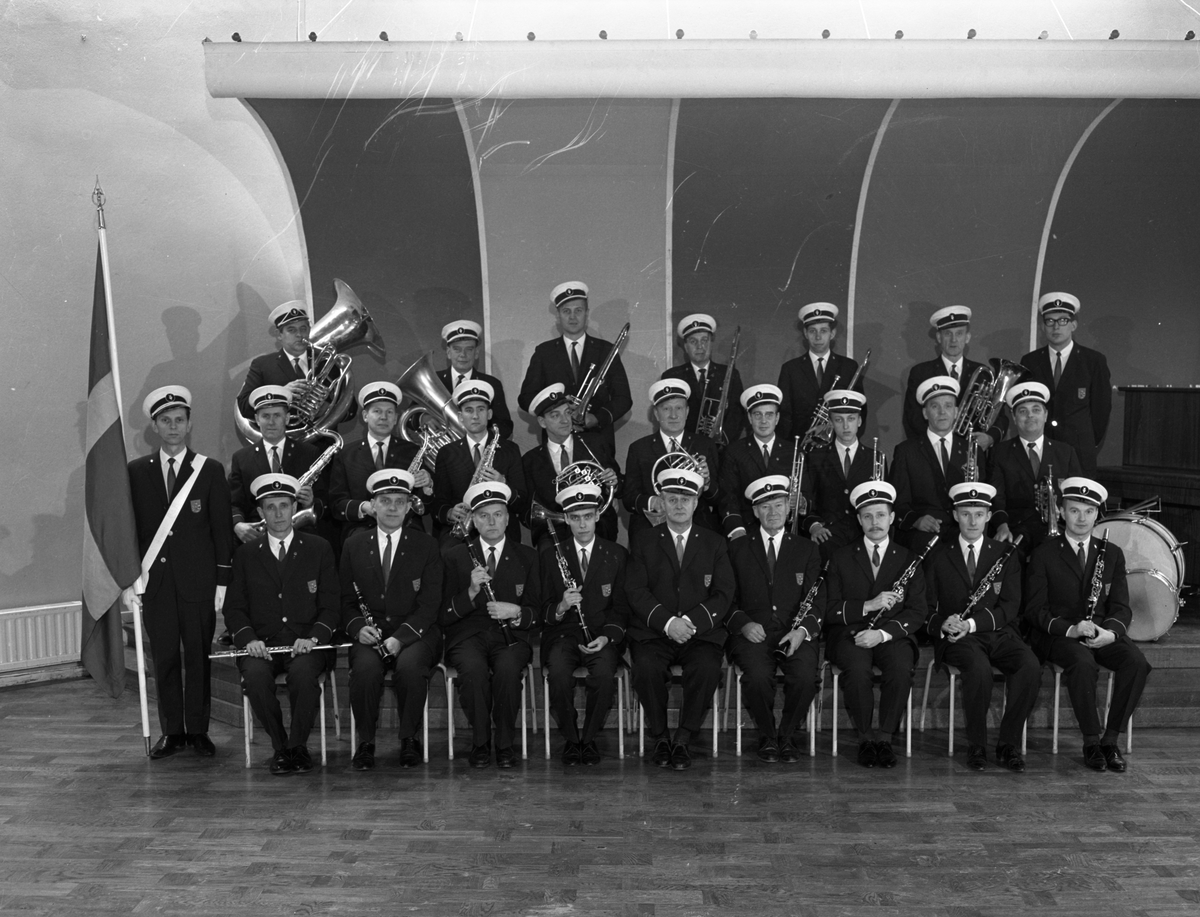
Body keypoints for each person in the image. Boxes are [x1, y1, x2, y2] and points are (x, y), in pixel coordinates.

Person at [124, 385, 233, 759]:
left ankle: (199, 730)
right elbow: (131, 530)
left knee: (198, 657)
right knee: (165, 658)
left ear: (189, 425)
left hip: (198, 583)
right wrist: (130, 578)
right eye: (165, 420)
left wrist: (222, 579)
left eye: (179, 420)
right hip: (156, 583)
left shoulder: (209, 470)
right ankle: (172, 731)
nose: (173, 426)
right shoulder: (136, 472)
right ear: (154, 426)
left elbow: (221, 530)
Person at [1025, 477, 1151, 772]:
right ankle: (1091, 741)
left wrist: (1111, 633)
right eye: (1074, 510)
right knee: (1083, 664)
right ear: (1061, 512)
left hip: (1101, 631)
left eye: (1089, 511)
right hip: (1061, 634)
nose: (1082, 518)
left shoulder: (1112, 553)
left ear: (1097, 515)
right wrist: (1071, 630)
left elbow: (1120, 607)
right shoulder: (1044, 553)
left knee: (1137, 663)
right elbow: (1034, 610)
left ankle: (1110, 740)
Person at [223, 473, 340, 775]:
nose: (278, 514)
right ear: (260, 512)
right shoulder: (245, 554)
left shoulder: (319, 548)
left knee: (303, 675)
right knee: (255, 679)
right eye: (271, 507)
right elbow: (234, 608)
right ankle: (281, 746)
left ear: (294, 508)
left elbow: (331, 605)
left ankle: (298, 747)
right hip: (262, 645)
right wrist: (249, 639)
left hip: (307, 643)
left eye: (284, 506)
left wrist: (314, 638)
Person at [625, 466, 735, 770]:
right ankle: (660, 737)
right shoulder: (644, 540)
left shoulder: (714, 542)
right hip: (654, 632)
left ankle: (684, 737)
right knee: (645, 667)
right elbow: (635, 590)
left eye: (685, 500)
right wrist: (668, 623)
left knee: (707, 668)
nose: (678, 505)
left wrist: (689, 623)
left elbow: (724, 593)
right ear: (662, 501)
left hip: (699, 633)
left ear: (696, 503)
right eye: (672, 499)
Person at [926, 482, 1039, 772]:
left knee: (1029, 665)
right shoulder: (938, 555)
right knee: (978, 669)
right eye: (965, 514)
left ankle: (1008, 743)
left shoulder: (1006, 554)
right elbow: (924, 607)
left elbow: (1011, 607)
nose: (972, 521)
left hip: (998, 633)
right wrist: (942, 624)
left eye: (979, 514)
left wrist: (973, 623)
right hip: (958, 639)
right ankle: (977, 744)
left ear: (989, 516)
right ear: (955, 515)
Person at [341, 469, 443, 771]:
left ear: (410, 506)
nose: (393, 507)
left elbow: (430, 604)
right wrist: (358, 628)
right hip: (370, 632)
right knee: (364, 670)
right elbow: (344, 600)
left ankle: (409, 738)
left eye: (400, 501)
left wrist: (400, 638)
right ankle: (366, 741)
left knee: (410, 667)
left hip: (415, 632)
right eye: (385, 501)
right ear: (373, 505)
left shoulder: (426, 545)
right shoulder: (353, 544)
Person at [825, 481, 926, 768]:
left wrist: (881, 634)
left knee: (900, 669)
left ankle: (885, 738)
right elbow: (829, 609)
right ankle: (865, 738)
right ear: (859, 520)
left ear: (892, 518)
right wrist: (867, 606)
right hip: (850, 633)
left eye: (881, 515)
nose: (874, 522)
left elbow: (917, 611)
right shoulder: (840, 557)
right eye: (867, 516)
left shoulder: (909, 559)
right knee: (857, 672)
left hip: (892, 634)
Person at [726, 475, 825, 763]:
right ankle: (768, 735)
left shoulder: (807, 549)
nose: (773, 512)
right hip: (752, 633)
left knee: (806, 678)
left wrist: (801, 632)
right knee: (757, 678)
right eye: (765, 507)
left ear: (788, 508)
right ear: (755, 511)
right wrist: (743, 623)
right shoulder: (736, 548)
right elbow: (725, 598)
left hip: (794, 632)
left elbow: (817, 599)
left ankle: (787, 734)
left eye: (779, 505)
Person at [441, 482, 540, 768]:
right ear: (473, 520)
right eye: (484, 516)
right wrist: (471, 592)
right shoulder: (454, 556)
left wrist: (516, 611)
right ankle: (480, 742)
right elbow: (443, 614)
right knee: (473, 671)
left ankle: (505, 744)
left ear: (508, 519)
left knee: (508, 670)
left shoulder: (528, 557)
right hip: (467, 635)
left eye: (498, 515)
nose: (492, 522)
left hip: (511, 635)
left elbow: (538, 610)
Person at [539, 482, 629, 766]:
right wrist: (561, 606)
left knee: (603, 674)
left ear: (597, 515)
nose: (582, 524)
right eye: (575, 517)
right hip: (563, 635)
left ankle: (588, 738)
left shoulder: (616, 554)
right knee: (558, 674)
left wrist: (607, 637)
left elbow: (622, 608)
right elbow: (541, 607)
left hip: (601, 636)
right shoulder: (550, 555)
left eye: (587, 516)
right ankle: (570, 737)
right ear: (566, 519)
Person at [518, 280, 633, 456]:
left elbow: (623, 398)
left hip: (598, 440)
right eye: (566, 311)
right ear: (558, 316)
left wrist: (596, 418)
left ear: (586, 313)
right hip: (557, 442)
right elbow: (526, 397)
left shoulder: (606, 350)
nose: (573, 317)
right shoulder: (544, 352)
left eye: (578, 310)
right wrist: (557, 406)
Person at [621, 379, 721, 548]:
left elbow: (718, 498)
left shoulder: (705, 445)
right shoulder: (639, 448)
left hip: (696, 525)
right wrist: (653, 502)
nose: (673, 415)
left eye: (679, 408)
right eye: (666, 409)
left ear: (687, 412)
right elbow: (629, 498)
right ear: (656, 414)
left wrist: (707, 483)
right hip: (652, 528)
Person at [1020, 292, 1112, 475]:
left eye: (1063, 320)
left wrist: (1087, 442)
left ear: (1074, 325)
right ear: (1042, 327)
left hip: (1079, 451)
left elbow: (1101, 410)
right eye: (1050, 321)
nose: (1056, 327)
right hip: (1041, 449)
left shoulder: (1093, 361)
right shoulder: (1030, 361)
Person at [430, 379, 528, 547]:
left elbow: (522, 502)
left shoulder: (510, 449)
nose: (475, 416)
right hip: (461, 534)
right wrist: (450, 512)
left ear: (489, 414)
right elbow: (438, 502)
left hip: (502, 532)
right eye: (469, 410)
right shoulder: (447, 453)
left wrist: (503, 483)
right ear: (460, 417)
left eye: (481, 409)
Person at [987, 381, 1083, 553]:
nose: (1030, 415)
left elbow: (1077, 497)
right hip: (1015, 528)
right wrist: (1002, 526)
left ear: (1045, 415)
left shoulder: (1066, 452)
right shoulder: (1000, 453)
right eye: (1023, 411)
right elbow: (996, 498)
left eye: (1036, 410)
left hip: (1059, 528)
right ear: (1014, 418)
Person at [329, 381, 431, 543]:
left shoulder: (413, 451)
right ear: (365, 416)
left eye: (389, 412)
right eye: (377, 411)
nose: (384, 417)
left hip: (406, 527)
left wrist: (427, 486)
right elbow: (337, 504)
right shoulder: (346, 454)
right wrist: (364, 507)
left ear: (396, 418)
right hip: (361, 529)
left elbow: (425, 507)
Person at [522, 383, 620, 547]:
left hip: (598, 529)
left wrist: (614, 483)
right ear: (542, 422)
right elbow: (528, 510)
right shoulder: (530, 461)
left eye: (567, 412)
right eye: (555, 415)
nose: (565, 420)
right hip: (554, 535)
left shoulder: (595, 444)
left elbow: (620, 484)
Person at [228, 385, 325, 544]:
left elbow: (325, 500)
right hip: (257, 540)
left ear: (287, 418)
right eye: (265, 416)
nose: (271, 422)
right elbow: (234, 503)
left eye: (277, 415)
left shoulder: (309, 453)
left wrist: (310, 503)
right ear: (257, 419)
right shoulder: (241, 458)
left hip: (300, 537)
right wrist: (238, 525)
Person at [902, 305, 1006, 446]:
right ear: (939, 337)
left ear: (967, 337)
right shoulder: (921, 373)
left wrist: (990, 438)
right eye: (947, 334)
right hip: (933, 450)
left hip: (973, 451)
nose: (953, 340)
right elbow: (912, 417)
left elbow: (999, 416)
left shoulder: (983, 374)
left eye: (959, 334)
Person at [889, 376, 969, 554]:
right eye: (935, 406)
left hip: (963, 531)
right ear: (925, 413)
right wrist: (916, 520)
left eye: (948, 406)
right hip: (922, 533)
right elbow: (898, 502)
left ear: (956, 411)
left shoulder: (971, 449)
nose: (942, 412)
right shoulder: (906, 451)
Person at [803, 390, 880, 557]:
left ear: (859, 421)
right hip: (828, 533)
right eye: (839, 420)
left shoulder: (875, 458)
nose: (845, 426)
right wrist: (815, 526)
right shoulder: (816, 458)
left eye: (851, 419)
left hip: (864, 532)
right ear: (830, 423)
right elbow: (808, 501)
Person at [717, 384, 799, 540]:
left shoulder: (793, 451)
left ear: (777, 418)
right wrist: (737, 529)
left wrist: (801, 502)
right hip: (746, 529)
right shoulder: (734, 451)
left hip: (785, 530)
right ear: (749, 418)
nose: (763, 421)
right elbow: (728, 496)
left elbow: (806, 493)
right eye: (757, 415)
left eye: (769, 415)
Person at [776, 302, 864, 441]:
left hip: (837, 443)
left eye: (823, 331)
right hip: (800, 442)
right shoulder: (790, 369)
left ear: (832, 333)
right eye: (812, 331)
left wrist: (830, 429)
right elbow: (784, 414)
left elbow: (859, 410)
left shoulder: (848, 367)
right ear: (805, 333)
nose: (818, 337)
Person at [659, 313, 745, 443]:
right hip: (686, 446)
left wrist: (720, 441)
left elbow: (737, 415)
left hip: (721, 448)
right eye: (693, 341)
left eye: (704, 340)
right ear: (685, 347)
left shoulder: (729, 374)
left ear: (711, 343)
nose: (700, 346)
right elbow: (668, 416)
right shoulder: (672, 376)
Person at [235, 301, 314, 421]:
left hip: (326, 433)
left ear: (309, 330)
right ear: (279, 335)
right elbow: (244, 407)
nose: (299, 335)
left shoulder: (326, 360)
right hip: (284, 432)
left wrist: (328, 407)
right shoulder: (262, 365)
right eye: (291, 330)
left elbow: (346, 408)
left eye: (303, 329)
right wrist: (280, 394)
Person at [437, 319, 514, 441]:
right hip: (442, 449)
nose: (463, 355)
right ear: (448, 352)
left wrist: (482, 438)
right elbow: (411, 417)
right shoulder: (435, 380)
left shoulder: (491, 384)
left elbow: (505, 426)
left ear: (476, 353)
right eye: (457, 349)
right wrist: (423, 418)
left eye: (469, 349)